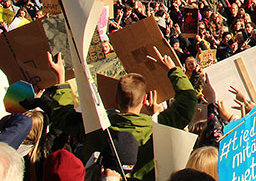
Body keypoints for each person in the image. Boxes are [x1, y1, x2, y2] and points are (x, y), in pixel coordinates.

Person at [48, 47, 197, 181]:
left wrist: (61, 78)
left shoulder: (95, 127)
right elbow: (188, 101)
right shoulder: (158, 129)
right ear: (145, 99)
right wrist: (173, 71)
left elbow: (61, 115)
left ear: (115, 99)